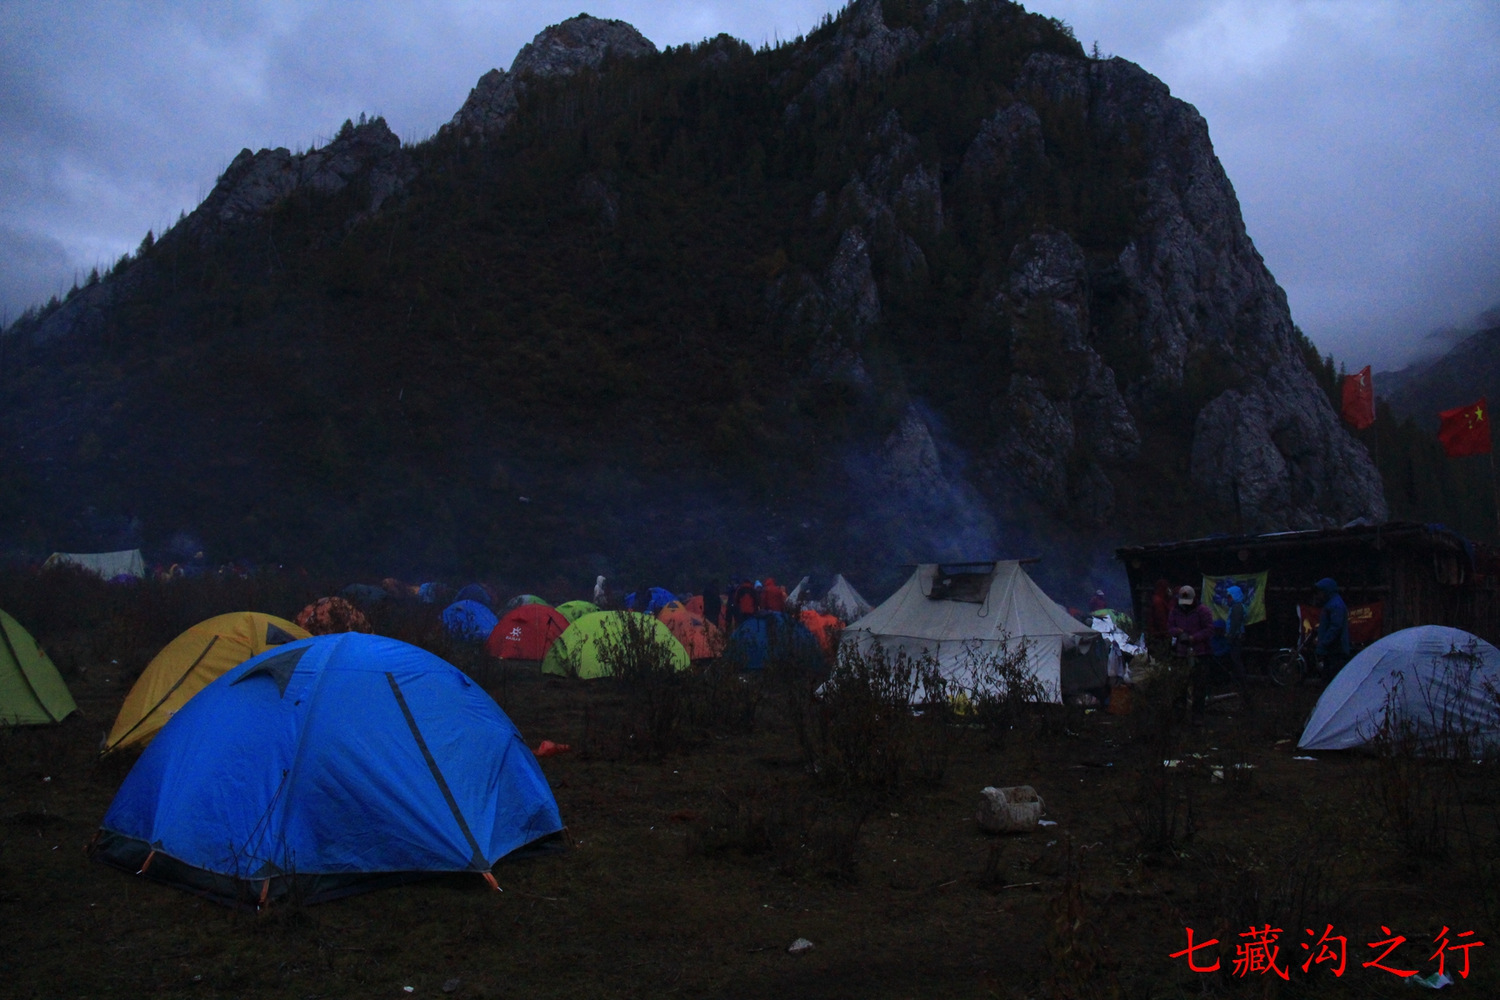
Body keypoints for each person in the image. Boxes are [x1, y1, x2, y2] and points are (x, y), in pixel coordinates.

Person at [1168, 585, 1215, 720]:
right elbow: (1170, 627)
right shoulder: (1175, 611)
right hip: (1181, 654)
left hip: (1200, 653)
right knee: (1180, 686)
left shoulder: (1203, 611)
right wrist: (1178, 632)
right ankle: (1179, 715)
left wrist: (1194, 638)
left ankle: (1197, 716)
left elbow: (1209, 629)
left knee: (1199, 686)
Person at [1313, 577, 1349, 679]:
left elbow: (1335, 627)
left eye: (1320, 592)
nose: (1318, 595)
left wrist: (1324, 642)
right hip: (1333, 649)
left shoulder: (1334, 605)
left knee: (1331, 677)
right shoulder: (1332, 604)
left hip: (1335, 650)